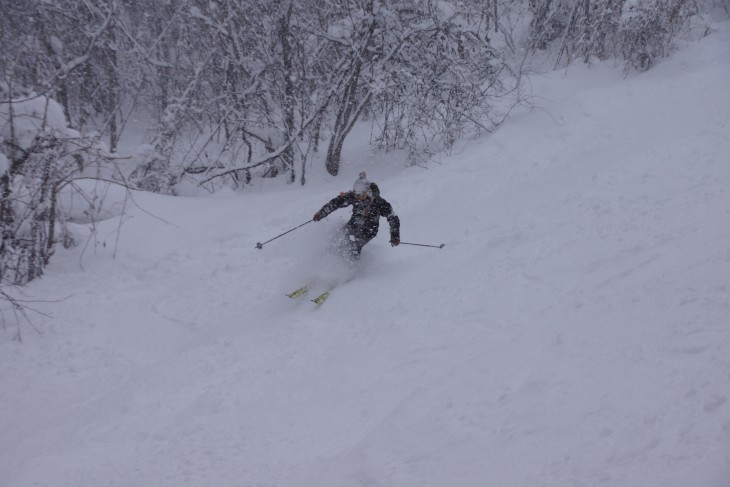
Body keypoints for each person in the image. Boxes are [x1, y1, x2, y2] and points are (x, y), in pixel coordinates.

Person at [313, 172, 400, 260]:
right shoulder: (353, 196)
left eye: (360, 195)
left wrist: (395, 237)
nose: (357, 197)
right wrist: (321, 213)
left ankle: (351, 267)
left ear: (367, 192)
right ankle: (331, 258)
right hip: (354, 223)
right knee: (339, 238)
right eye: (355, 194)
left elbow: (393, 219)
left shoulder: (379, 202)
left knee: (354, 246)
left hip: (369, 229)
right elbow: (336, 203)